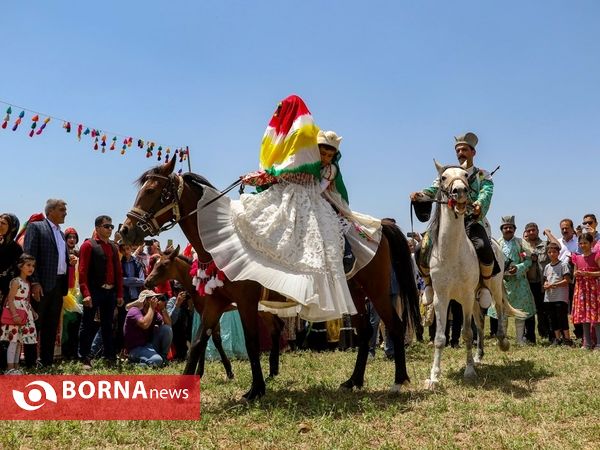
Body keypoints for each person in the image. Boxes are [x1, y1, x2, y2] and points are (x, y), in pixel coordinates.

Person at [198, 95, 381, 321]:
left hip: (311, 197)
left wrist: (277, 178)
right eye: (322, 153)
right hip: (294, 192)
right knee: (264, 225)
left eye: (329, 154)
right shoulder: (304, 152)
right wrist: (271, 179)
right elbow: (284, 170)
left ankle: (344, 259)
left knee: (327, 233)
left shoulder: (328, 169)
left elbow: (309, 183)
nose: (325, 157)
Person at [410, 132, 498, 308]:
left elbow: (486, 194)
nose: (460, 153)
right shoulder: (447, 173)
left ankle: (486, 286)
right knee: (421, 247)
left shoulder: (483, 175)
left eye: (464, 149)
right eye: (458, 150)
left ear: (473, 152)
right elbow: (433, 188)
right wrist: (420, 194)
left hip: (471, 220)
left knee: (483, 247)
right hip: (447, 222)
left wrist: (479, 204)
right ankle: (428, 283)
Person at [23, 199, 71, 367]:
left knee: (51, 325)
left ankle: (47, 361)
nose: (65, 212)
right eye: (62, 209)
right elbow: (29, 256)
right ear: (50, 211)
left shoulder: (60, 232)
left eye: (65, 209)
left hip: (58, 285)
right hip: (42, 285)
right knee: (35, 324)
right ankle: (30, 362)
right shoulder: (36, 227)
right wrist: (35, 282)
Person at [77, 215, 124, 368]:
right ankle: (84, 357)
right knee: (87, 324)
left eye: (111, 226)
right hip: (94, 291)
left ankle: (109, 357)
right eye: (106, 226)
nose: (110, 229)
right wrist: (86, 294)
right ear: (97, 228)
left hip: (110, 293)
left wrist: (119, 294)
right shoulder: (88, 245)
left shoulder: (113, 247)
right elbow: (82, 271)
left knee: (108, 325)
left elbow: (118, 272)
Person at [491, 216, 536, 345]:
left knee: (520, 311)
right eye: (506, 227)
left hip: (519, 282)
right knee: (502, 311)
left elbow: (528, 261)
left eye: (511, 227)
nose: (508, 229)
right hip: (502, 282)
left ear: (515, 229)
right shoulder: (496, 243)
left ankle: (519, 339)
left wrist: (517, 268)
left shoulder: (522, 243)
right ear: (501, 229)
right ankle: (503, 338)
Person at [1, 254, 38, 374]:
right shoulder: (16, 281)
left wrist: (32, 312)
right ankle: (9, 367)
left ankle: (16, 367)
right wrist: (14, 314)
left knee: (18, 341)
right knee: (13, 340)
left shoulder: (27, 282)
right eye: (28, 265)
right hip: (16, 313)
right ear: (20, 266)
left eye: (33, 265)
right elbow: (10, 299)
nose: (31, 268)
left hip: (24, 314)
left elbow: (26, 300)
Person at [123, 289, 172, 366]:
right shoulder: (134, 311)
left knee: (166, 329)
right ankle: (131, 362)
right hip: (135, 348)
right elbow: (144, 324)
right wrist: (152, 308)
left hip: (148, 345)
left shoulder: (154, 312)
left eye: (156, 298)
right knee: (156, 360)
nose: (155, 300)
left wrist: (162, 309)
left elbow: (169, 324)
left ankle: (163, 359)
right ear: (145, 300)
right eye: (152, 298)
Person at [570, 233, 600, 350]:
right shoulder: (577, 257)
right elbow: (574, 273)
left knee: (596, 317)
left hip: (594, 290)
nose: (583, 245)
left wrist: (590, 274)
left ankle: (598, 343)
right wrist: (577, 273)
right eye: (581, 243)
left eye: (585, 243)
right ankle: (586, 343)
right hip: (581, 290)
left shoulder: (596, 256)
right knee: (584, 318)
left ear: (591, 243)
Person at [523, 222, 551, 343]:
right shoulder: (522, 245)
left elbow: (558, 246)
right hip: (527, 283)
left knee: (543, 310)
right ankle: (529, 337)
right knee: (528, 311)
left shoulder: (545, 244)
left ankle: (545, 333)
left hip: (542, 283)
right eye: (528, 231)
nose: (531, 232)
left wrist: (549, 233)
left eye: (533, 230)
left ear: (537, 231)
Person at [543, 242, 573, 346]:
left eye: (554, 252)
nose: (552, 254)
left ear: (558, 253)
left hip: (560, 297)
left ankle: (567, 339)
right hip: (549, 298)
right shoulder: (547, 267)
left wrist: (553, 285)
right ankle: (557, 339)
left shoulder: (563, 265)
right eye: (549, 252)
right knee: (553, 319)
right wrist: (546, 285)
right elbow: (546, 280)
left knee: (562, 318)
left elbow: (567, 280)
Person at [61, 227, 83, 360]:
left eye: (74, 237)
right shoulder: (61, 253)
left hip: (77, 292)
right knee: (64, 324)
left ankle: (73, 352)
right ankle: (64, 352)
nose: (72, 239)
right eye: (69, 237)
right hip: (65, 292)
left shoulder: (79, 253)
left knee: (76, 323)